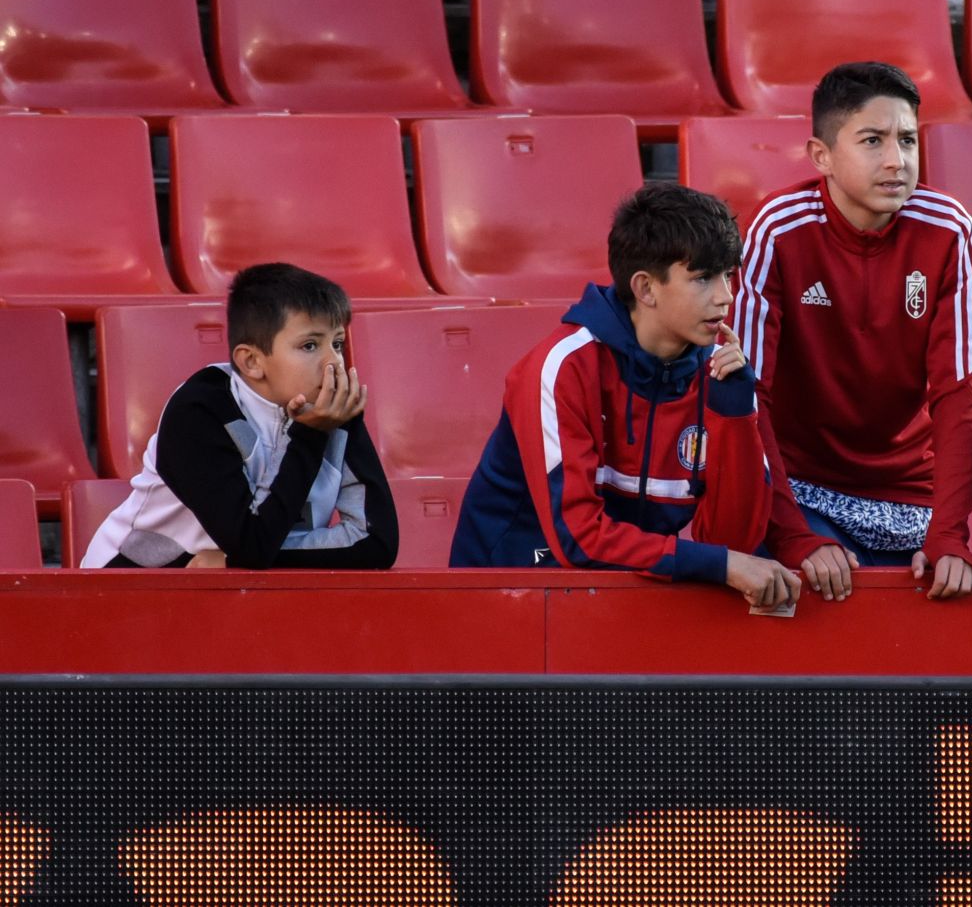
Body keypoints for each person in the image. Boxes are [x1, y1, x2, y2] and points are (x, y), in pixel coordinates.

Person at [449, 184, 799, 611]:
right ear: (646, 289)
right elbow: (576, 538)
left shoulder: (722, 374)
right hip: (509, 596)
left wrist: (734, 415)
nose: (726, 296)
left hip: (625, 594)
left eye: (728, 275)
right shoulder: (561, 367)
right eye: (703, 278)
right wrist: (718, 564)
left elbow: (732, 542)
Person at [736, 61, 972, 602]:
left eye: (909, 140)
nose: (897, 160)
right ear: (821, 156)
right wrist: (792, 532)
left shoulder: (950, 231)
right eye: (873, 140)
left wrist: (949, 531)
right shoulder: (775, 232)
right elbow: (748, 396)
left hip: (916, 494)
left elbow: (957, 395)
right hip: (804, 491)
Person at [81, 262, 398, 569]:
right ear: (251, 362)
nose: (334, 363)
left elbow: (376, 542)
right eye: (310, 345)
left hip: (234, 590)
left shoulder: (333, 410)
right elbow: (252, 543)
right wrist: (311, 435)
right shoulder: (200, 410)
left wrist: (230, 563)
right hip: (129, 584)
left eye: (338, 343)